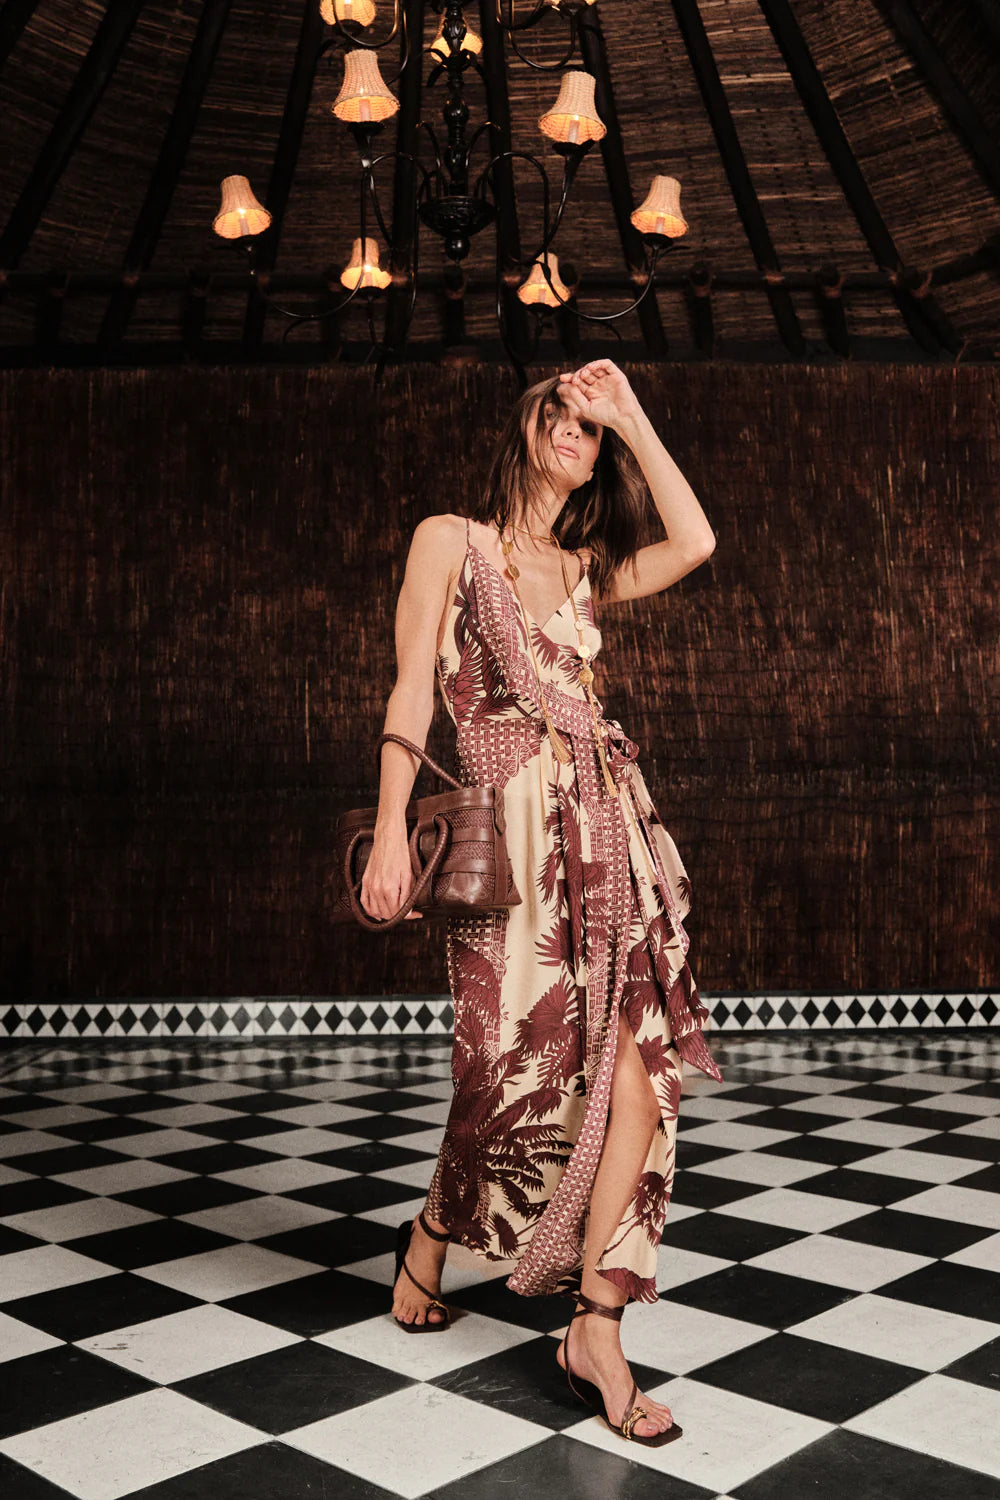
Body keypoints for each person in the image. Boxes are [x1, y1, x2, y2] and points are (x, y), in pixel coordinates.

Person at [361, 358, 721, 1446]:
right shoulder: (450, 542)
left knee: (638, 1077)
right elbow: (412, 688)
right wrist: (387, 827)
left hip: (609, 836)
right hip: (506, 848)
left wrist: (632, 414)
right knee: (507, 1079)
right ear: (524, 426)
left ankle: (596, 1327)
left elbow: (696, 541)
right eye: (560, 410)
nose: (575, 428)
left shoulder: (584, 569)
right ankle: (429, 1236)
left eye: (588, 423)